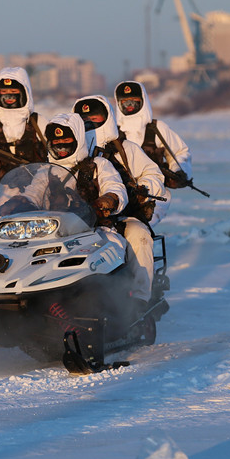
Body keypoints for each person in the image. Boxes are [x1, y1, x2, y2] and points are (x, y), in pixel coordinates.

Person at [74, 95, 169, 307]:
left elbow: (153, 174)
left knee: (139, 236)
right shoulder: (72, 151)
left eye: (95, 118)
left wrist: (144, 188)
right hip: (77, 219)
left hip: (122, 216)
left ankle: (140, 298)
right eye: (84, 120)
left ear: (106, 118)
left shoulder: (126, 149)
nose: (90, 123)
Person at [113, 80, 193, 189]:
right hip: (121, 192)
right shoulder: (113, 133)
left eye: (134, 100)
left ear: (143, 100)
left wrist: (178, 171)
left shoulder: (157, 128)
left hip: (155, 193)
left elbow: (180, 152)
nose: (129, 105)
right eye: (125, 101)